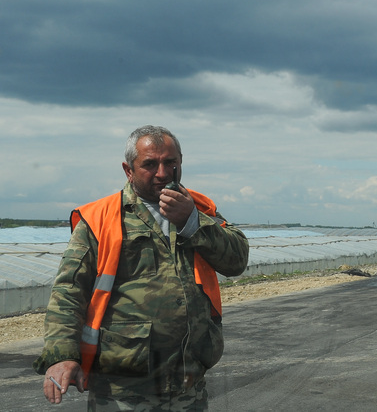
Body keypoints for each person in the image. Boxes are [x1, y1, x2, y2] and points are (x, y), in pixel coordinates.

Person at [33, 125, 250, 410]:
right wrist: (62, 355)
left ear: (180, 162)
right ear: (128, 170)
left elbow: (236, 260)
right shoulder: (101, 218)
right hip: (124, 388)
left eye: (170, 162)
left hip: (189, 382)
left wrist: (192, 221)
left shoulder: (197, 209)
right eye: (150, 164)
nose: (162, 172)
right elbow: (69, 291)